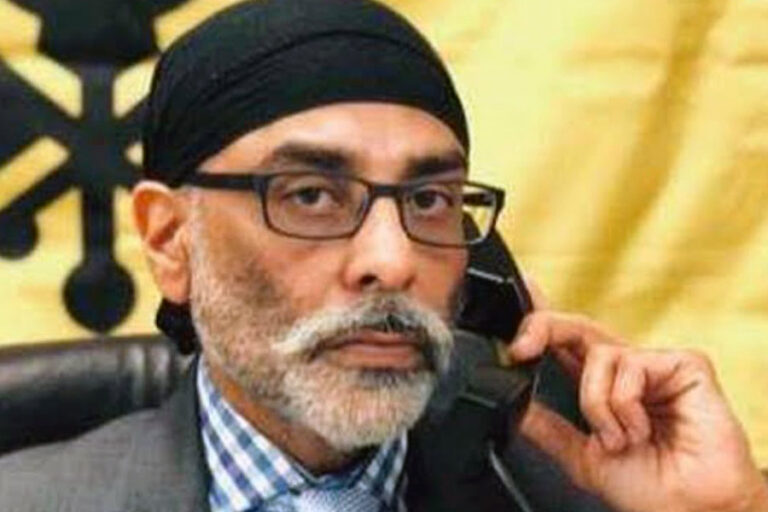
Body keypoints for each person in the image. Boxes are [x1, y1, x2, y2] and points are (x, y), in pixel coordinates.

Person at [0, 0, 766, 511]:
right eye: (310, 195)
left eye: (429, 200)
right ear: (171, 240)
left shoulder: (578, 496)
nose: (394, 261)